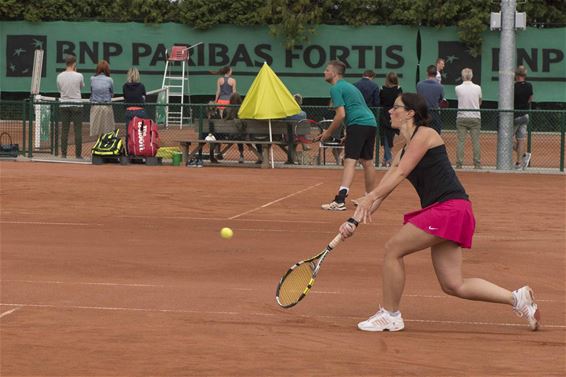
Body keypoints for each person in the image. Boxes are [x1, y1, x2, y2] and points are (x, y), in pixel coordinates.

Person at [338, 92, 540, 333]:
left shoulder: (426, 135)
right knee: (453, 285)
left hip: (450, 209)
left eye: (396, 107)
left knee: (393, 249)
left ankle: (390, 315)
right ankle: (517, 299)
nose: (390, 111)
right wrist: (353, 220)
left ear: (411, 113)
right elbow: (385, 188)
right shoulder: (401, 150)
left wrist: (369, 197)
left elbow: (401, 174)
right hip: (449, 211)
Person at [317, 60, 378, 211]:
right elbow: (354, 109)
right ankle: (369, 199)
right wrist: (348, 133)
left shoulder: (336, 88)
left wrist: (328, 133)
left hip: (358, 124)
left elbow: (340, 115)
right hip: (370, 123)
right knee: (367, 162)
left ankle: (340, 200)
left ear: (334, 73)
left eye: (326, 70)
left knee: (350, 161)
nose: (324, 72)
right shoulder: (350, 86)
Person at [56, 54, 84, 159]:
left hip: (64, 104)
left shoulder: (59, 76)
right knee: (78, 131)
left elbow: (59, 89)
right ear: (74, 64)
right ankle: (78, 155)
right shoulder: (79, 75)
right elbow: (81, 86)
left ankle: (63, 154)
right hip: (77, 104)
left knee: (64, 130)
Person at [455, 68, 482, 169]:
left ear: (462, 76)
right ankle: (477, 164)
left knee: (461, 141)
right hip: (475, 117)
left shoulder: (458, 88)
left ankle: (459, 163)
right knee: (476, 141)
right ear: (471, 76)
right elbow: (480, 101)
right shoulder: (478, 88)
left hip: (461, 117)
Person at [379, 72, 403, 167]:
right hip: (394, 113)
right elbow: (400, 101)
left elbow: (379, 101)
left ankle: (386, 159)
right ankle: (388, 159)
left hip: (384, 113)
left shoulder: (382, 89)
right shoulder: (398, 89)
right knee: (389, 136)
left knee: (386, 136)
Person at [513, 65, 533, 170]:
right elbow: (530, 99)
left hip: (516, 116)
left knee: (506, 138)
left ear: (516, 75)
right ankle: (519, 163)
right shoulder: (529, 85)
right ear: (524, 75)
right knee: (521, 139)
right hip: (525, 115)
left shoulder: (513, 86)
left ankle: (524, 155)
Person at [89, 60, 114, 138]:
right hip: (107, 107)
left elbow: (91, 91)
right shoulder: (110, 80)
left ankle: (98, 146)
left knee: (96, 131)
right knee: (108, 131)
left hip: (95, 107)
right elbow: (112, 93)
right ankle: (105, 148)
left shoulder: (92, 79)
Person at [416, 65, 444, 134]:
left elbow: (418, 97)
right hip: (434, 113)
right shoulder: (440, 87)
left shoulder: (419, 85)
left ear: (427, 73)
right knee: (435, 134)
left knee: (421, 134)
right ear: (436, 74)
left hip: (422, 113)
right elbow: (440, 99)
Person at [223, 92, 246, 163]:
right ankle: (241, 155)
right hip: (243, 135)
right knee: (239, 134)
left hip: (228, 135)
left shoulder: (226, 109)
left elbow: (223, 119)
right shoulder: (243, 109)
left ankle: (219, 153)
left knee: (237, 134)